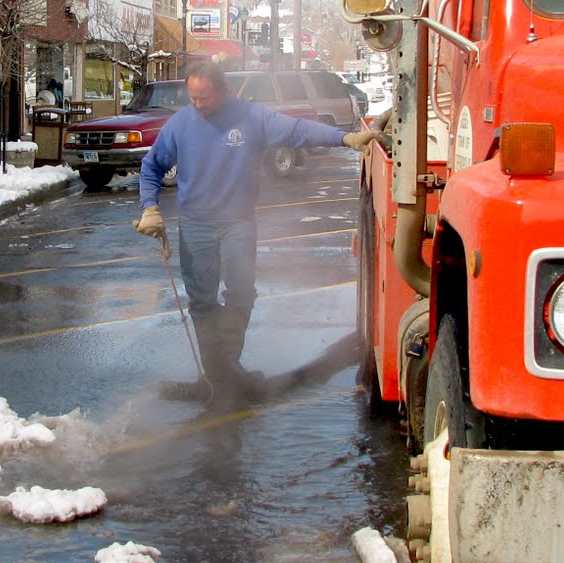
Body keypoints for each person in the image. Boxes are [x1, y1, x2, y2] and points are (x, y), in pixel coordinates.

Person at [135, 61, 382, 396]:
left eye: (204, 96)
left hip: (238, 221)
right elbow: (152, 167)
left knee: (241, 292)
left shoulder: (251, 117)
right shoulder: (180, 125)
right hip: (196, 225)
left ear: (224, 90)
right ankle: (219, 374)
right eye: (192, 97)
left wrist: (345, 138)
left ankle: (226, 367)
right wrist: (150, 207)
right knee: (202, 299)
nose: (197, 103)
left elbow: (297, 130)